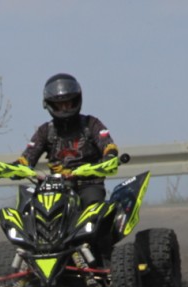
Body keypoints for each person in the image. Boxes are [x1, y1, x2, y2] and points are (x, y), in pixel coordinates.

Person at [15, 73, 119, 208]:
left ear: (76, 101)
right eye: (59, 104)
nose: (64, 108)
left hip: (89, 185)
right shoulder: (45, 131)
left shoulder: (90, 124)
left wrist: (110, 155)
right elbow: (29, 155)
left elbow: (107, 144)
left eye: (68, 103)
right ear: (51, 105)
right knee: (30, 208)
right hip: (55, 189)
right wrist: (17, 166)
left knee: (94, 209)